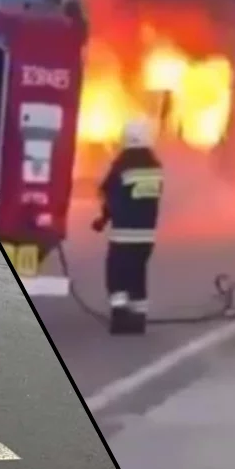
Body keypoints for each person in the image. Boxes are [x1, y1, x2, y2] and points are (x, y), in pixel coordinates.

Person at [92, 117, 163, 335]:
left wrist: (102, 219)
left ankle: (120, 318)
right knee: (138, 275)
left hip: (123, 235)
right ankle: (139, 319)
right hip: (146, 236)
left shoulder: (124, 164)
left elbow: (108, 192)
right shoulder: (155, 166)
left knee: (117, 275)